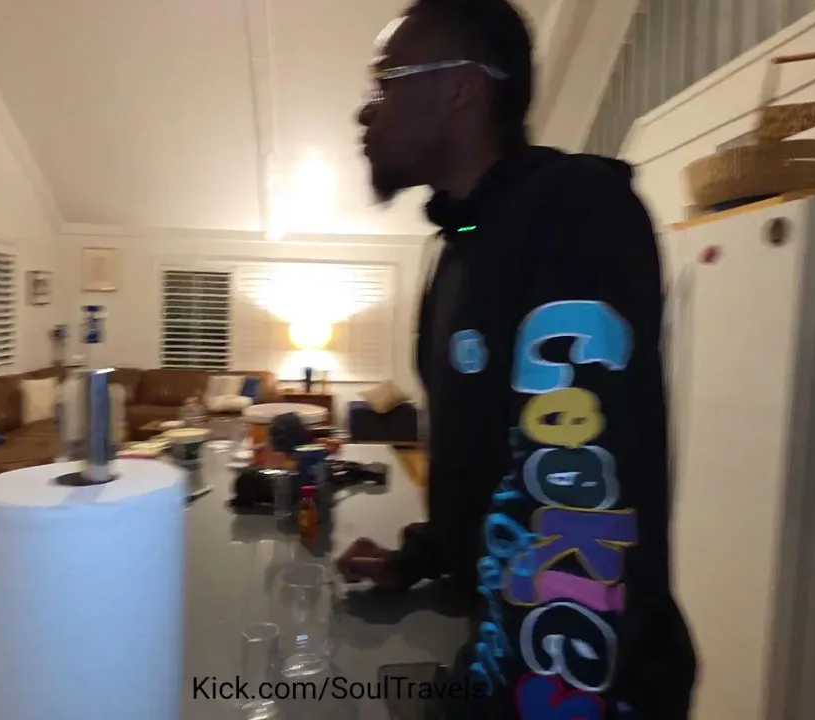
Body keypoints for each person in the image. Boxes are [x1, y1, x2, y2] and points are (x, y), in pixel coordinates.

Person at [335, 1, 697, 717]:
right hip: (504, 659)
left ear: (460, 87)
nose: (365, 111)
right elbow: (485, 458)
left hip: (574, 686)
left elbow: (575, 494)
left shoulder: (577, 209)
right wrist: (420, 555)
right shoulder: (460, 245)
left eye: (385, 82)